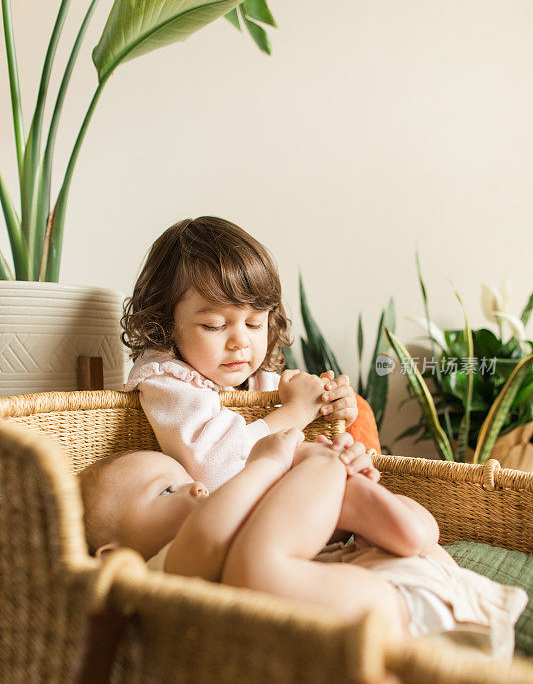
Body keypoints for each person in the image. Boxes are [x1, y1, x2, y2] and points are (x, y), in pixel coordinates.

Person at [79, 432, 527, 659]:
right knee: (256, 569)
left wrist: (329, 493)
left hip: (402, 583)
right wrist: (272, 461)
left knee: (264, 561)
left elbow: (304, 536)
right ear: (114, 555)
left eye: (190, 479)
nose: (197, 489)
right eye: (166, 491)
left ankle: (362, 498)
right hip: (402, 608)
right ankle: (340, 482)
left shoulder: (237, 529)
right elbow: (210, 537)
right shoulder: (152, 573)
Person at [121, 216, 360, 490]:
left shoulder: (259, 376)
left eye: (253, 323)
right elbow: (217, 472)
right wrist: (295, 412)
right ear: (165, 325)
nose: (240, 342)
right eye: (215, 325)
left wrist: (329, 412)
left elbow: (295, 455)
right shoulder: (167, 381)